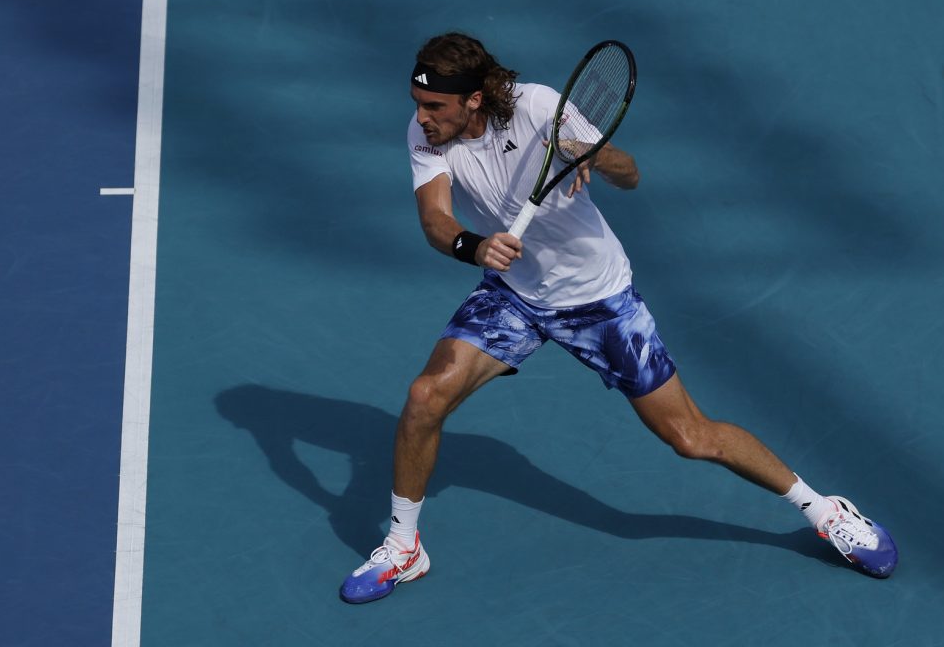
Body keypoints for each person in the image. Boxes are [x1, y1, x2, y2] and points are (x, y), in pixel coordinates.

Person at [339, 33, 897, 604]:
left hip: (599, 301)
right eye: (417, 103)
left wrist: (588, 153)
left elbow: (629, 174)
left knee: (691, 437)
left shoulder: (539, 108)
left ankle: (825, 511)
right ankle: (404, 546)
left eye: (434, 106)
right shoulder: (427, 135)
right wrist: (473, 247)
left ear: (475, 99)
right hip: (514, 295)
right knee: (425, 396)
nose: (420, 117)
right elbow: (435, 220)